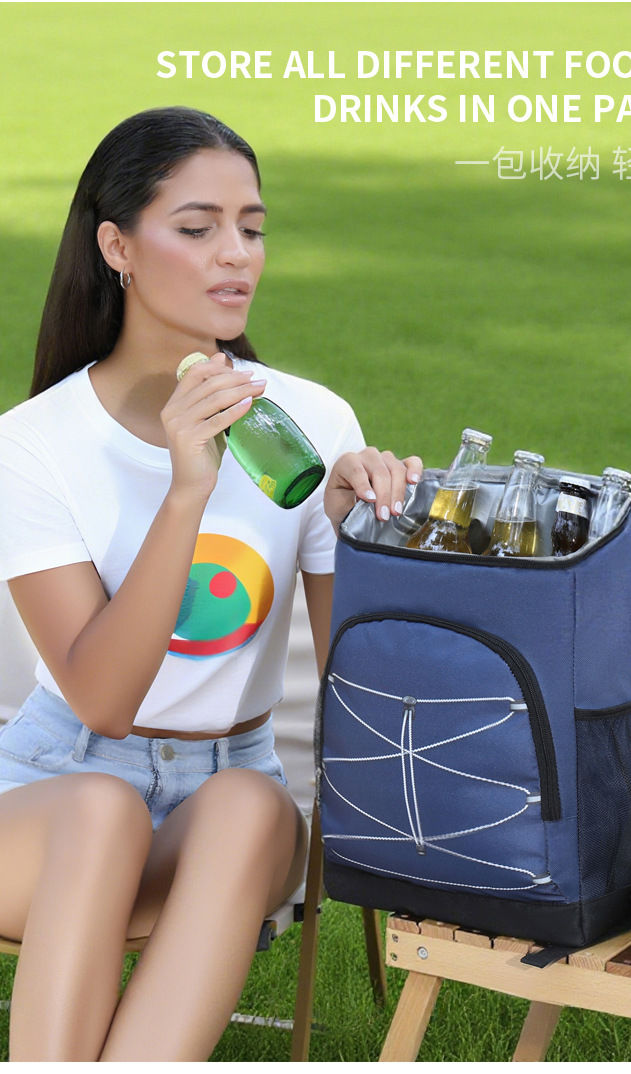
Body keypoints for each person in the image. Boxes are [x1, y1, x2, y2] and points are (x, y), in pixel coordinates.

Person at [0, 106, 421, 1062]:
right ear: (118, 247)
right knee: (102, 810)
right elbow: (104, 700)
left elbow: (364, 687)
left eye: (252, 228)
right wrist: (187, 489)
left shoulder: (309, 423)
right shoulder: (34, 445)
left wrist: (368, 535)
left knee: (251, 805)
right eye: (197, 229)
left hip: (228, 792)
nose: (237, 255)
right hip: (52, 792)